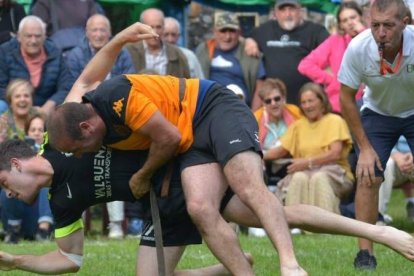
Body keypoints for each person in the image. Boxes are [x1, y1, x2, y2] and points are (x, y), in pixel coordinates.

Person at [46, 22, 305, 275]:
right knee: (200, 208)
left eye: (77, 149)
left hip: (210, 106)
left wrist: (121, 38)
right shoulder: (73, 114)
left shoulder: (115, 98)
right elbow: (86, 77)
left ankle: (290, 265)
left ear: (86, 128)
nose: (79, 156)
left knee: (247, 185)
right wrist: (122, 39)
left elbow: (168, 138)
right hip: (188, 139)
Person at [1, 139, 414, 274]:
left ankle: (380, 232)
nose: (7, 195)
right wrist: (13, 261)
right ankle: (230, 262)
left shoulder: (60, 138)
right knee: (276, 213)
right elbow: (70, 260)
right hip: (161, 205)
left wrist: (123, 38)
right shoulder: (59, 201)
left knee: (274, 212)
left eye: (4, 183)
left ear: (16, 164)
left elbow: (95, 84)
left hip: (188, 170)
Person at [338, 0, 414, 270]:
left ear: (406, 23)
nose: (381, 32)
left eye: (389, 26)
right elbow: (346, 98)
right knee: (368, 175)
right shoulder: (358, 47)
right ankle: (365, 254)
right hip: (378, 114)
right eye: (375, 25)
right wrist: (365, 149)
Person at [65, 13, 137, 239]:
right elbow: (74, 89)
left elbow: (130, 84)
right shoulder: (75, 56)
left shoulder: (122, 54)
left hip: (116, 116)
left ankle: (116, 225)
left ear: (110, 34)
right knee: (80, 169)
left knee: (112, 169)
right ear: (86, 33)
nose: (98, 35)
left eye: (102, 30)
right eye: (94, 30)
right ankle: (78, 224)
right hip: (84, 117)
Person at [264, 83, 354, 217]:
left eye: (310, 101)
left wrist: (307, 163)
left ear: (322, 101)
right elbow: (280, 151)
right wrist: (257, 155)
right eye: (303, 102)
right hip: (306, 173)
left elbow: (335, 153)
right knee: (298, 177)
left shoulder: (334, 120)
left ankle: (326, 225)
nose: (307, 106)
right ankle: (295, 224)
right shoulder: (298, 126)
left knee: (319, 178)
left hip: (337, 173)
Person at [244, 0, 329, 105]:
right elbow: (245, 38)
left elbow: (332, 49)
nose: (287, 14)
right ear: (275, 13)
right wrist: (249, 41)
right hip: (275, 103)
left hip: (307, 103)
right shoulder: (264, 30)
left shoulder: (316, 31)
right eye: (282, 10)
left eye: (291, 9)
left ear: (300, 10)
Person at [298, 1, 365, 112]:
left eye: (353, 17)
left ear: (361, 17)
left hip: (367, 104)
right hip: (338, 106)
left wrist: (362, 32)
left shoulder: (371, 37)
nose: (350, 23)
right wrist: (331, 80)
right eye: (344, 20)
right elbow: (304, 65)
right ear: (341, 25)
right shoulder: (334, 41)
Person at [0, 15, 72, 115]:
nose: (33, 41)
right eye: (28, 36)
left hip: (47, 109)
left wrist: (50, 104)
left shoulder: (55, 53)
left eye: (37, 36)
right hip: (13, 105)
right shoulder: (4, 51)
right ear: (19, 37)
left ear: (44, 36)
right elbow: (1, 86)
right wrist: (19, 104)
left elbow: (66, 86)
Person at [195, 11, 266, 108]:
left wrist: (254, 115)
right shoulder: (203, 50)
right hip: (209, 108)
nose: (227, 37)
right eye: (223, 31)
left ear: (239, 33)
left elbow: (260, 86)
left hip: (240, 108)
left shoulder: (250, 51)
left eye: (232, 31)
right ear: (215, 32)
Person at [254, 78, 302, 186]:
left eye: (277, 99)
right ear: (263, 104)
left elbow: (286, 148)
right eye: (268, 101)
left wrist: (261, 155)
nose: (273, 103)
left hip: (290, 162)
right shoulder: (256, 118)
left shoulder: (295, 113)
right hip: (265, 166)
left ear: (284, 98)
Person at [126, 8, 190, 78]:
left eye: (158, 27)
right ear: (141, 28)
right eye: (150, 27)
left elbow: (186, 83)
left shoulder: (177, 54)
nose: (154, 31)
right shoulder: (129, 51)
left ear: (163, 28)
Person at [378, 136, 414, 223]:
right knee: (386, 164)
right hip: (393, 158)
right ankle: (379, 217)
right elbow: (380, 140)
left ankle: (411, 202)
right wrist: (395, 155)